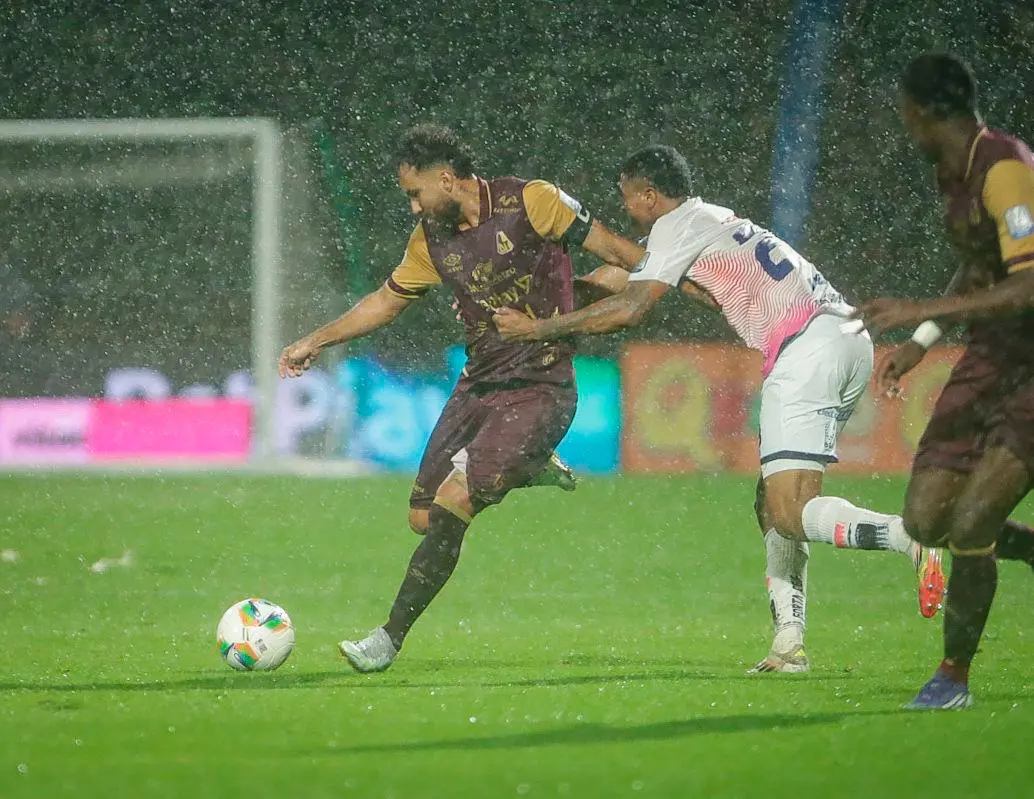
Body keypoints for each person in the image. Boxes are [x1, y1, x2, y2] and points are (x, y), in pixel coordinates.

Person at [494, 144, 945, 673]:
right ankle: (788, 644)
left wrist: (539, 328)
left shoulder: (678, 228)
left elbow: (632, 306)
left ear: (649, 194)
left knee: (790, 511)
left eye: (629, 198)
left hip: (807, 347)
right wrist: (549, 293)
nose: (627, 208)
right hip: (845, 338)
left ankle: (908, 536)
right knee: (772, 502)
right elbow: (624, 272)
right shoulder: (706, 221)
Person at [279, 124, 643, 672]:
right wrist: (315, 339)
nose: (412, 206)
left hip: (542, 386)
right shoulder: (431, 238)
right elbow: (385, 301)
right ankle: (530, 465)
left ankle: (387, 639)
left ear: (447, 178)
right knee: (422, 518)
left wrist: (681, 276)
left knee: (454, 506)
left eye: (414, 192)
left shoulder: (533, 202)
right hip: (478, 383)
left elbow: (619, 253)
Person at [854, 53, 1034, 709]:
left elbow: (1030, 282)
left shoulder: (1007, 167)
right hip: (988, 356)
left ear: (924, 111)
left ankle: (953, 675)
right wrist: (924, 341)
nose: (903, 125)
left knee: (975, 519)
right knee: (926, 518)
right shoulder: (949, 174)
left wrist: (923, 310)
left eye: (904, 112)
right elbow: (981, 270)